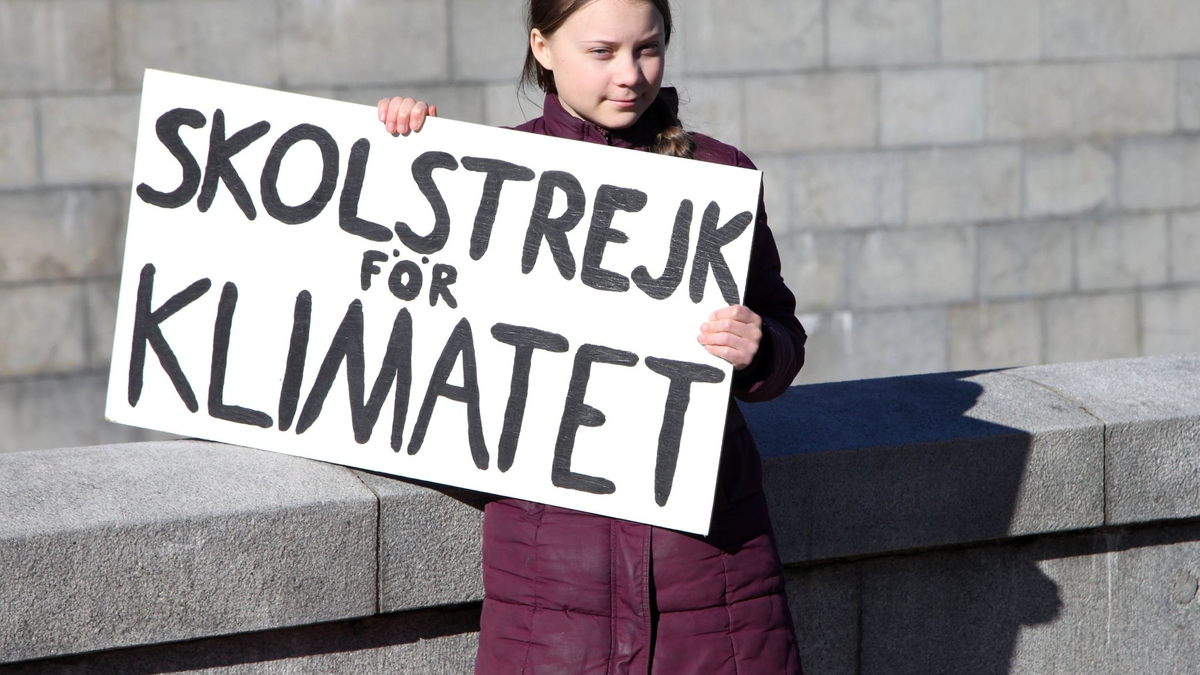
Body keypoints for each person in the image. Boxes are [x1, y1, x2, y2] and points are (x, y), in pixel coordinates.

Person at [379, 1, 806, 672]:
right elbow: (408, 316)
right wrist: (400, 149)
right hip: (549, 597)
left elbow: (783, 334)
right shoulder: (495, 170)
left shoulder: (719, 175)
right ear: (542, 47)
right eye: (602, 52)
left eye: (647, 48)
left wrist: (760, 348)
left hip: (715, 588)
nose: (630, 75)